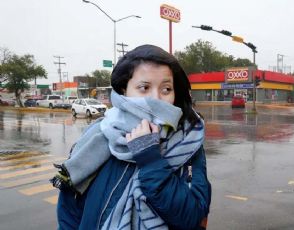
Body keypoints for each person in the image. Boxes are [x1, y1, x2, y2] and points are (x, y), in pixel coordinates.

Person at [51, 44, 211, 230]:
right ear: (123, 91)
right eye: (144, 88)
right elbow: (69, 211)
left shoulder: (188, 143)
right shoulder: (98, 137)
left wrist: (151, 160)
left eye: (166, 89)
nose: (156, 99)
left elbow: (192, 218)